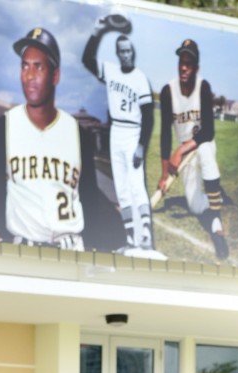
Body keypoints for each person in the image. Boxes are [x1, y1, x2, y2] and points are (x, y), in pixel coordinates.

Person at [0, 27, 99, 250]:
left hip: (71, 249)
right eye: (24, 66)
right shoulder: (3, 127)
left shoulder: (77, 133)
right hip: (23, 251)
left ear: (55, 76)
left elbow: (91, 202)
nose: (29, 75)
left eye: (38, 67)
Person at [82, 17, 155, 251]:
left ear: (132, 52)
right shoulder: (111, 71)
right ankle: (131, 238)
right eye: (122, 51)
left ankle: (146, 235)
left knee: (136, 186)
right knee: (122, 189)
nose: (126, 55)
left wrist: (142, 144)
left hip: (133, 131)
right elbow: (87, 59)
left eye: (129, 51)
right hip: (116, 132)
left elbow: (149, 116)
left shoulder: (140, 78)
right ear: (118, 53)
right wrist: (98, 32)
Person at [158, 38, 229, 260]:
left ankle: (216, 222)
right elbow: (165, 133)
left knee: (207, 151)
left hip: (201, 144)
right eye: (181, 61)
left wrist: (180, 152)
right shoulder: (168, 91)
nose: (184, 67)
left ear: (196, 67)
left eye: (189, 63)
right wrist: (163, 174)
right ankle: (213, 199)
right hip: (185, 153)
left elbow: (208, 131)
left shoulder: (203, 87)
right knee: (195, 206)